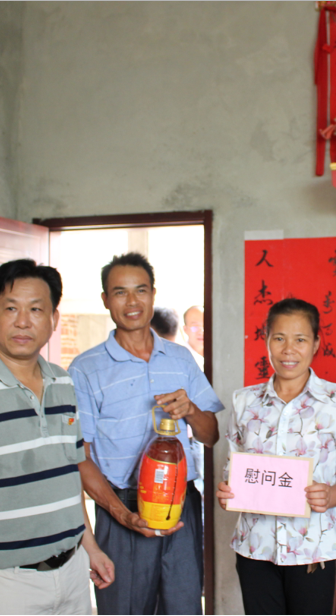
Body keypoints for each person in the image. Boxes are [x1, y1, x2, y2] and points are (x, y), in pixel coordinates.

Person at [0, 259, 114, 615]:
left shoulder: (62, 382)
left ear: (54, 319)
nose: (23, 321)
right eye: (11, 308)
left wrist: (90, 546)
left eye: (36, 310)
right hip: (4, 582)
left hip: (73, 572)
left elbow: (67, 476)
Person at [68, 252, 224, 615]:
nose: (132, 302)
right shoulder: (86, 369)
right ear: (105, 299)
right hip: (122, 506)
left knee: (185, 607)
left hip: (180, 505)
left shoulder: (180, 358)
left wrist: (191, 410)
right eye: (119, 292)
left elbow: (211, 435)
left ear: (153, 294)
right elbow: (79, 457)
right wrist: (122, 514)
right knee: (124, 609)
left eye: (140, 290)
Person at [216, 298, 336, 615]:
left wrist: (331, 495)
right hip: (255, 547)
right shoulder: (245, 402)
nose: (289, 350)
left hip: (315, 550)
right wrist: (227, 490)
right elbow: (234, 468)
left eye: (300, 339)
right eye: (279, 338)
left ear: (315, 343)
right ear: (266, 340)